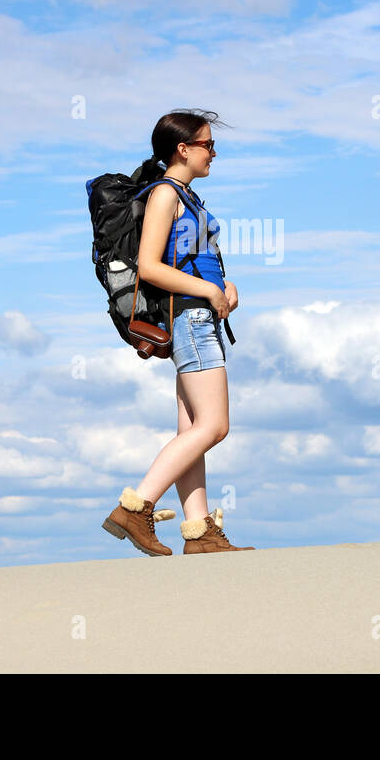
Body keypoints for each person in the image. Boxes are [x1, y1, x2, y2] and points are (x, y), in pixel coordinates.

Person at [100, 109, 257, 556]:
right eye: (208, 145)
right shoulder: (166, 194)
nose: (213, 153)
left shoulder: (187, 197)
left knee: (192, 430)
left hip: (198, 316)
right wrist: (208, 290)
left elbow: (190, 259)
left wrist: (223, 286)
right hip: (191, 320)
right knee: (215, 425)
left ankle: (199, 530)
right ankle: (136, 507)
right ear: (182, 149)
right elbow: (150, 266)